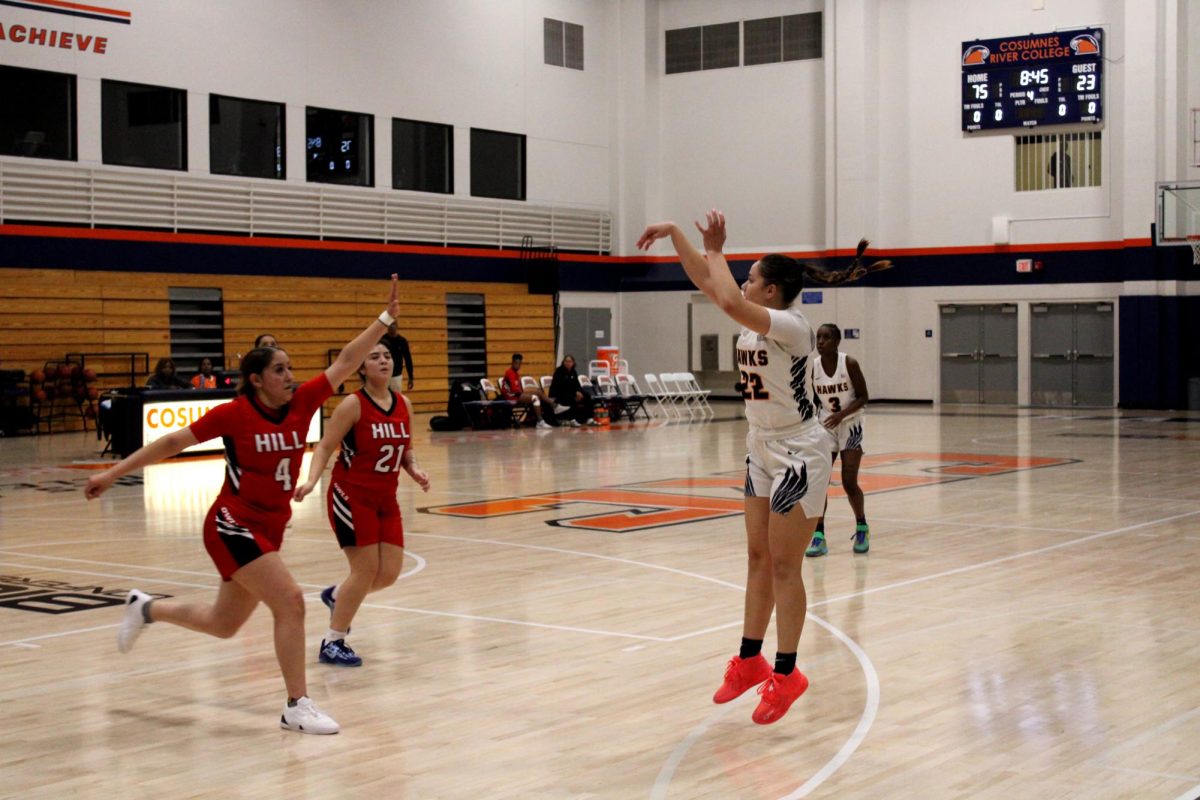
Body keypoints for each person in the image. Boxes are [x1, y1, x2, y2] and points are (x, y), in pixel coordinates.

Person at [84, 275, 403, 736]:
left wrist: (386, 319)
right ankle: (297, 705)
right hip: (232, 522)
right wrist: (113, 474)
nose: (291, 376)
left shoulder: (305, 401)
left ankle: (145, 608)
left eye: (291, 367)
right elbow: (173, 440)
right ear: (256, 380)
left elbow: (347, 359)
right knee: (291, 603)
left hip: (271, 525)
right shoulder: (235, 413)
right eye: (280, 370)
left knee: (224, 623)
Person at [636, 211, 888, 725]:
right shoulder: (754, 318)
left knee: (782, 565)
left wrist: (715, 245)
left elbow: (725, 292)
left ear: (771, 291)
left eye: (752, 277)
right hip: (760, 445)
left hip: (800, 449)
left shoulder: (793, 327)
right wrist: (678, 236)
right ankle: (749, 660)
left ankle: (787, 672)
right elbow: (712, 283)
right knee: (756, 556)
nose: (743, 283)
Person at [294, 340, 429, 667]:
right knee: (365, 570)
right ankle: (333, 641)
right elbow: (325, 446)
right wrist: (311, 480)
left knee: (388, 574)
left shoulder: (403, 404)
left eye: (386, 356)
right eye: (374, 357)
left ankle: (337, 596)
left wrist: (414, 469)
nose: (383, 361)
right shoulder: (352, 405)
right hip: (351, 495)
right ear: (362, 368)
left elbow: (404, 448)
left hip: (386, 498)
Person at [806, 323, 870, 557]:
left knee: (848, 481)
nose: (820, 341)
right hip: (826, 425)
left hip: (850, 423)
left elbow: (864, 396)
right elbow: (816, 400)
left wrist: (841, 415)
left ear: (837, 341)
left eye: (826, 337)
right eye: (819, 338)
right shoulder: (814, 367)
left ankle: (862, 526)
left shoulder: (849, 363)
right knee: (819, 481)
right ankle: (819, 535)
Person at [502, 353, 552, 429]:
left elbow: (519, 390)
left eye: (519, 364)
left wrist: (526, 393)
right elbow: (515, 391)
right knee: (534, 398)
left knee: (538, 392)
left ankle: (555, 406)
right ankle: (540, 421)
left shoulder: (516, 373)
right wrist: (527, 395)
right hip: (511, 397)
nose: (518, 366)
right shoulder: (510, 373)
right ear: (512, 363)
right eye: (516, 363)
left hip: (516, 394)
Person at [547, 354, 597, 427]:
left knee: (587, 396)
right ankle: (572, 419)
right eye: (566, 361)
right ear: (563, 362)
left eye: (570, 361)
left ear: (573, 363)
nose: (568, 363)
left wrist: (579, 391)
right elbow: (561, 387)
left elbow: (576, 384)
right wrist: (574, 393)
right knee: (571, 397)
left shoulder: (573, 372)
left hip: (570, 392)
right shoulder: (559, 371)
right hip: (558, 394)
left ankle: (589, 418)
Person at [382, 322, 414, 392]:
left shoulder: (402, 341)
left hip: (396, 376)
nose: (392, 327)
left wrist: (411, 377)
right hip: (383, 376)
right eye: (390, 325)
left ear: (397, 327)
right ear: (387, 327)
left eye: (394, 325)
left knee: (396, 399)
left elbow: (408, 359)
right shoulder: (382, 340)